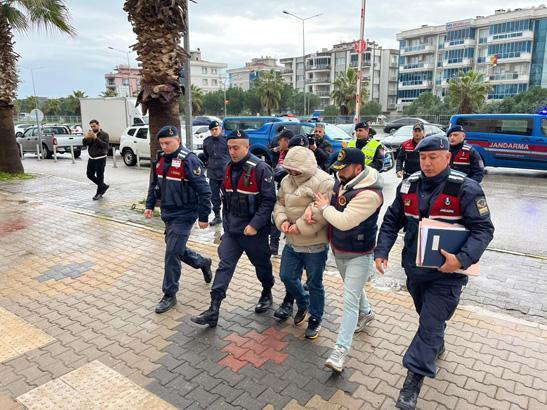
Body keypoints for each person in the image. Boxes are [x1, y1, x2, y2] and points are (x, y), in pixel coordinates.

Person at [374, 135, 494, 410]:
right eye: (422, 157)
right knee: (427, 318)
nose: (426, 163)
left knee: (429, 324)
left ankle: (412, 384)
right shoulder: (409, 184)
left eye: (433, 157)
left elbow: (484, 230)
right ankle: (436, 342)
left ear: (447, 157)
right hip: (414, 270)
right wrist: (381, 251)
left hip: (447, 275)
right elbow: (392, 221)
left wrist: (461, 259)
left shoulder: (466, 188)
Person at [305, 148, 383, 372]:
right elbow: (325, 200)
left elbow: (343, 221)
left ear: (357, 168)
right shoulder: (344, 181)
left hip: (360, 253)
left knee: (349, 301)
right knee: (353, 289)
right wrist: (313, 209)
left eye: (343, 169)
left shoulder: (370, 194)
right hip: (339, 248)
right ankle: (367, 313)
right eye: (337, 169)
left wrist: (324, 208)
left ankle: (340, 351)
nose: (338, 174)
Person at [191, 129, 276, 328]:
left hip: (254, 232)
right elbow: (226, 200)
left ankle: (267, 292)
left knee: (262, 266)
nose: (232, 151)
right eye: (229, 148)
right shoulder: (228, 167)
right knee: (224, 266)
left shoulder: (261, 169)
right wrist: (226, 228)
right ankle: (213, 309)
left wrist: (254, 225)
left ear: (247, 146)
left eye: (236, 148)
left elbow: (268, 201)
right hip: (233, 231)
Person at [144, 125, 214, 314]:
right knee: (176, 249)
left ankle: (169, 294)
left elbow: (205, 191)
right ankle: (202, 262)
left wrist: (204, 216)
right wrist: (149, 206)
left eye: (168, 143)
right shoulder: (160, 159)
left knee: (171, 253)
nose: (164, 146)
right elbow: (154, 185)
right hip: (168, 213)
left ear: (178, 140)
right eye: (162, 143)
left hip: (185, 214)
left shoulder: (189, 161)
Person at [273, 146, 334, 339]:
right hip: (291, 242)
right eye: (289, 169)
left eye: (295, 170)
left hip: (315, 245)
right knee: (287, 276)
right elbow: (279, 204)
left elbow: (322, 212)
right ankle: (303, 301)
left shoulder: (325, 181)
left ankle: (315, 318)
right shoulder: (286, 180)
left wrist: (299, 226)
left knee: (314, 283)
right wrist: (282, 221)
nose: (292, 174)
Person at [270, 128, 293, 256]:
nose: (279, 143)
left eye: (281, 140)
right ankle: (273, 245)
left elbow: (280, 173)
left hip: (293, 191)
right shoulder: (282, 152)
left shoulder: (293, 154)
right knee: (277, 215)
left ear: (287, 141)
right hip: (282, 189)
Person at [202, 120, 230, 226]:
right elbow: (206, 155)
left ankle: (227, 217)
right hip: (213, 173)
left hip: (225, 173)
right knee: (214, 196)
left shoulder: (226, 140)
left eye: (216, 129)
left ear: (220, 129)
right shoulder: (206, 141)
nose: (214, 131)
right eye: (212, 130)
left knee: (227, 196)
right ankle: (217, 216)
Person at [83, 119, 110, 200]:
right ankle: (103, 186)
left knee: (100, 176)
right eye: (91, 127)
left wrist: (96, 138)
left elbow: (105, 146)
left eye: (94, 126)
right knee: (89, 174)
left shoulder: (104, 135)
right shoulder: (90, 134)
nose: (93, 128)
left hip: (100, 158)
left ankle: (99, 193)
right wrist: (85, 138)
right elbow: (84, 144)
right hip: (91, 158)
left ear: (98, 125)